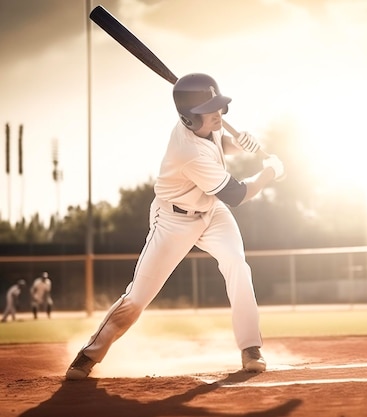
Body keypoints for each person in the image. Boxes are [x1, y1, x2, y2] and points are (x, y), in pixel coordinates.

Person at [66, 73, 284, 380]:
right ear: (189, 120)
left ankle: (251, 347)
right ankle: (88, 355)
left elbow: (218, 143)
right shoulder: (188, 152)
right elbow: (237, 194)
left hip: (210, 212)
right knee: (138, 296)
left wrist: (238, 144)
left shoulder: (201, 128)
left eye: (218, 107)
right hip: (173, 221)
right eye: (210, 111)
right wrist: (270, 172)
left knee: (237, 264)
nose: (218, 114)